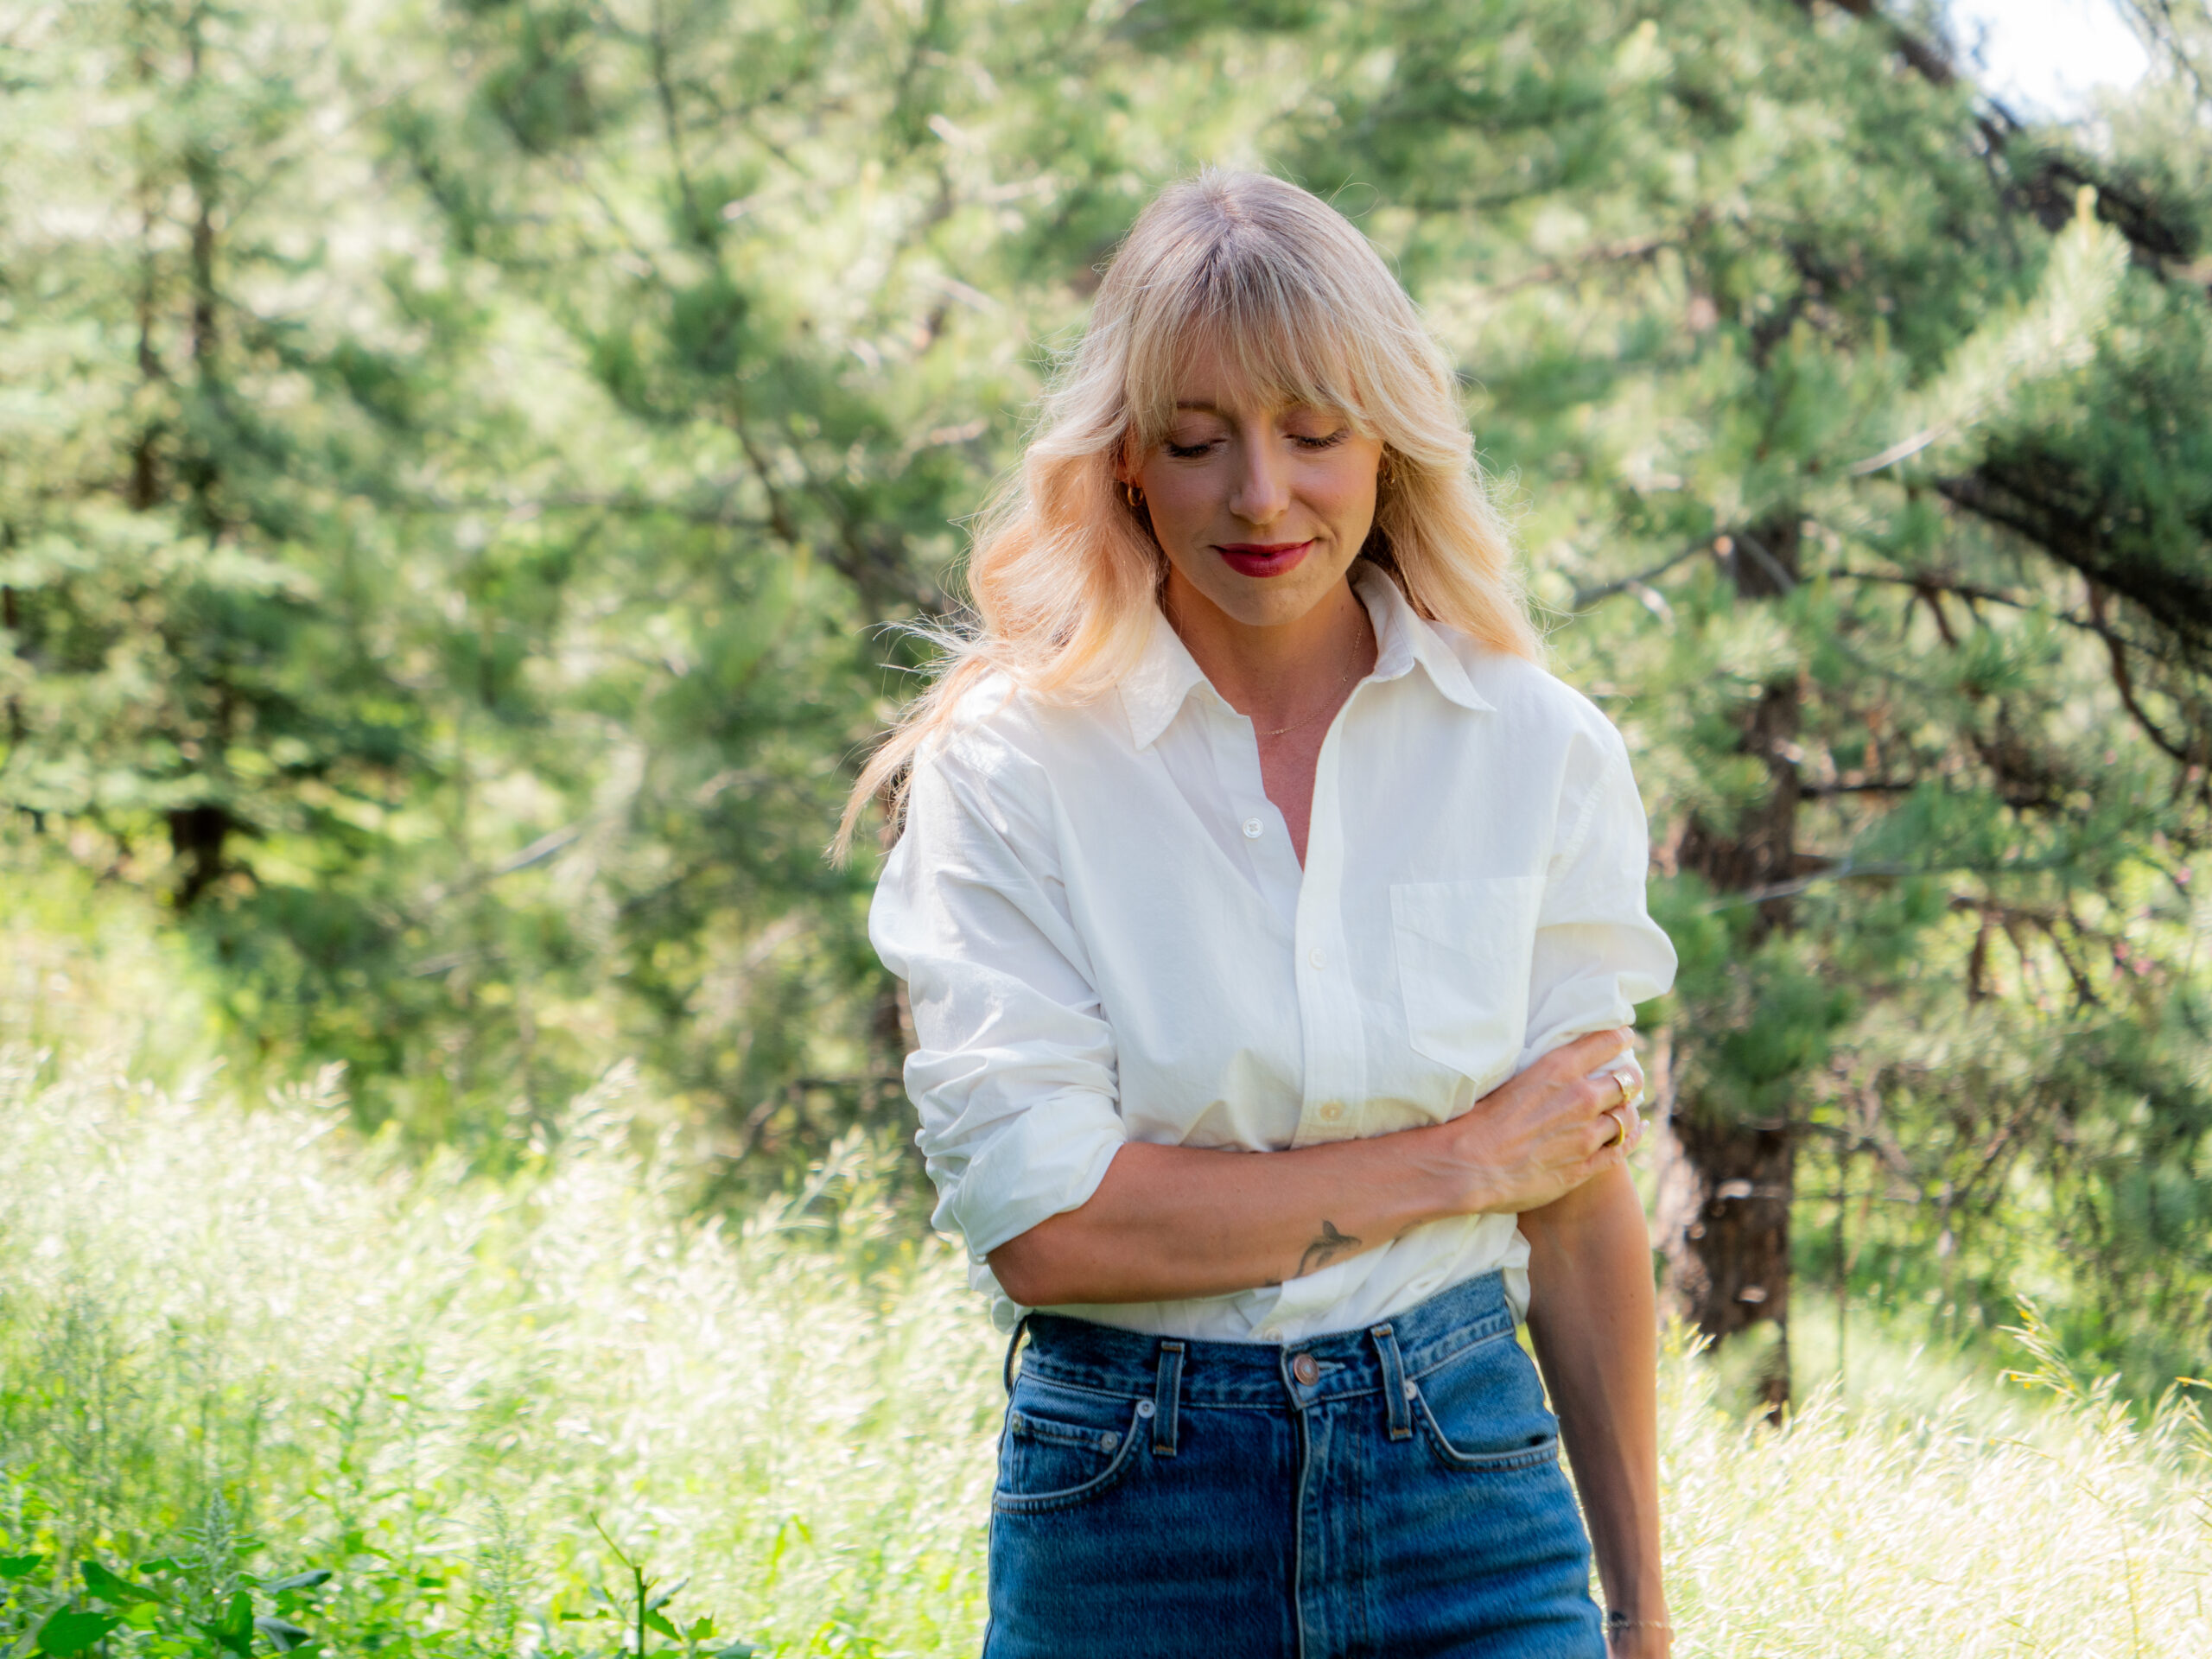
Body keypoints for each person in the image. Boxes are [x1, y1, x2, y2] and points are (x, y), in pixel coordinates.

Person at [849, 169, 1679, 1659]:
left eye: (1312, 435)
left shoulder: (1537, 749)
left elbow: (1577, 1200)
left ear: (1389, 447)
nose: (1259, 496)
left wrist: (1639, 1612)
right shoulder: (1011, 769)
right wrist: (1465, 1157)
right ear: (1120, 464)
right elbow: (1052, 1228)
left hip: (1476, 1503)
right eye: (1196, 441)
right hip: (1131, 1512)